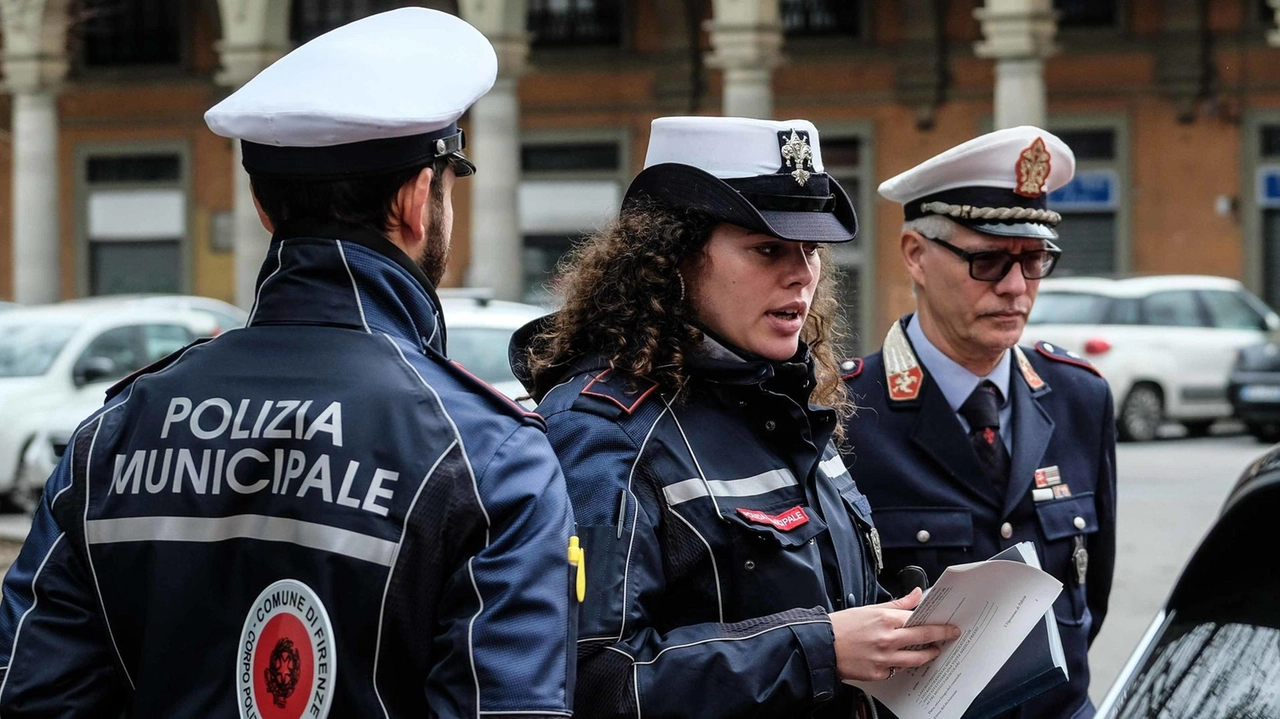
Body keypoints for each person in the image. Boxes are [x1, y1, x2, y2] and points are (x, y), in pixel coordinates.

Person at [0, 9, 576, 718]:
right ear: (417, 200)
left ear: (262, 207)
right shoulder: (493, 461)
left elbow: (32, 692)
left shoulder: (114, 433)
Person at [513, 116, 959, 719]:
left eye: (811, 249)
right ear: (672, 258)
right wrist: (820, 650)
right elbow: (594, 680)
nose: (801, 272)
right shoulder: (602, 430)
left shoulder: (787, 397)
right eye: (767, 248)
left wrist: (892, 625)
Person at [840, 126, 1117, 719]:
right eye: (988, 260)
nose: (1016, 287)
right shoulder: (846, 413)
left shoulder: (1079, 398)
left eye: (1034, 260)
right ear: (915, 254)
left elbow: (1088, 600)